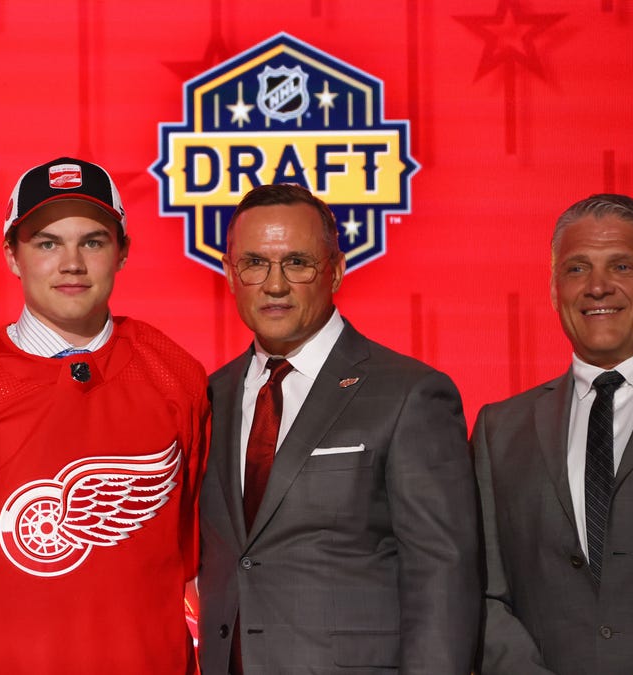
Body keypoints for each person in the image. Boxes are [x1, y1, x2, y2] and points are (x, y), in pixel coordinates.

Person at [0, 157, 209, 673]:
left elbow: (195, 556)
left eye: (93, 242)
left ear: (123, 252)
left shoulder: (175, 373)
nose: (71, 264)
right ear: (11, 256)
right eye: (47, 243)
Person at [198, 184, 479, 674]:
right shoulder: (208, 397)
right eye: (254, 263)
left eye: (297, 263)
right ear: (229, 273)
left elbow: (443, 576)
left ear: (337, 270)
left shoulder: (409, 394)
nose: (275, 285)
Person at [473, 193, 633, 674]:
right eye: (577, 269)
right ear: (555, 291)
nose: (597, 287)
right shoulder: (499, 430)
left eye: (622, 266)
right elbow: (483, 592)